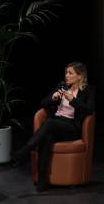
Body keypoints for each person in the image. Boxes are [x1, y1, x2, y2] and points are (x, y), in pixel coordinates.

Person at [12, 61, 95, 192]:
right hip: (56, 123)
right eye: (66, 73)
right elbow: (43, 103)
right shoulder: (62, 85)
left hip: (71, 127)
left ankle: (25, 151)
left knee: (48, 124)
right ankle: (42, 180)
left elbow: (89, 110)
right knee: (47, 137)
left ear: (80, 76)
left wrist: (72, 100)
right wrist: (53, 98)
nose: (66, 76)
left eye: (70, 73)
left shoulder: (87, 90)